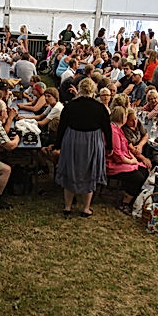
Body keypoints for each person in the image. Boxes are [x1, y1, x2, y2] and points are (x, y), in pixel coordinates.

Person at [55, 77, 111, 217]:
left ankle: (67, 207)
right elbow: (107, 129)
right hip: (92, 142)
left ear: (79, 89)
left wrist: (57, 144)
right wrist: (110, 146)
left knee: (70, 170)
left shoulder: (70, 106)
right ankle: (86, 208)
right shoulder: (100, 108)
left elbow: (62, 127)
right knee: (89, 172)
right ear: (94, 90)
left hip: (72, 140)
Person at [106, 106, 148, 213]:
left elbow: (126, 149)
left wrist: (133, 158)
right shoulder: (114, 131)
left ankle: (131, 196)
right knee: (138, 177)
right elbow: (117, 156)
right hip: (112, 164)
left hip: (122, 160)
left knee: (144, 170)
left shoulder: (118, 129)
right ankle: (125, 203)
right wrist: (131, 161)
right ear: (123, 118)